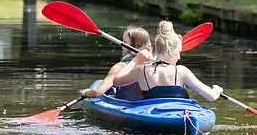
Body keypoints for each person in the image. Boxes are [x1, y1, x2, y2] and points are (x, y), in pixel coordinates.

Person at [81, 21, 223, 101]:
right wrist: (217, 89)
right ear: (172, 51)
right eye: (178, 53)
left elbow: (116, 80)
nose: (179, 57)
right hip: (179, 112)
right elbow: (211, 97)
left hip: (152, 110)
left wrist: (135, 61)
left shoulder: (141, 70)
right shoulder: (182, 71)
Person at [80, 26, 152, 101]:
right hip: (149, 105)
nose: (121, 45)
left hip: (127, 105)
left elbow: (97, 93)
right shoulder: (156, 65)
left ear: (134, 45)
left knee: (98, 84)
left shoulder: (120, 67)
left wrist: (86, 93)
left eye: (125, 42)